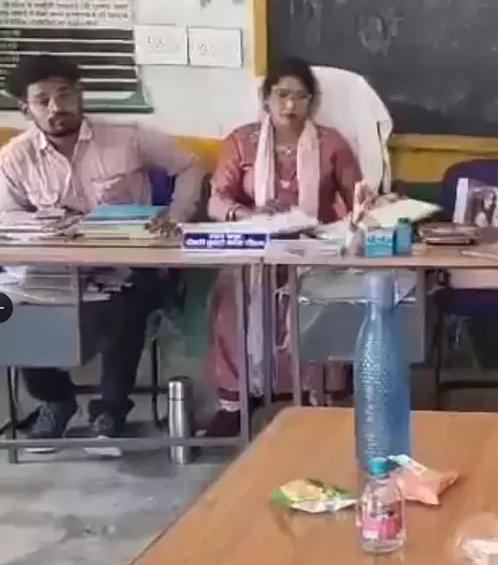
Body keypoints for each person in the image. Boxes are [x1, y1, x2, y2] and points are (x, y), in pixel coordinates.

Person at [0, 54, 204, 442]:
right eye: (43, 100)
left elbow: (189, 165)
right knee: (7, 312)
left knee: (125, 304)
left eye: (64, 94)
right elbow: (6, 219)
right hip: (51, 273)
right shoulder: (14, 157)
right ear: (26, 109)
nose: (56, 107)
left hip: (126, 267)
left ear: (80, 96)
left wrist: (176, 214)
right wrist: (46, 227)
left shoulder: (127, 138)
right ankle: (55, 400)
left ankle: (110, 410)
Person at [203, 56, 363, 438]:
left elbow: (358, 200)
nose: (290, 106)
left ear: (312, 102)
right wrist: (249, 213)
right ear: (266, 98)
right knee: (230, 302)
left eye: (300, 97)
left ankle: (316, 397)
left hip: (313, 250)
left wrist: (367, 210)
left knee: (318, 304)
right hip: (255, 251)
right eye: (282, 95)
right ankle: (236, 402)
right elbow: (216, 201)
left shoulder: (330, 143)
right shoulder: (241, 142)